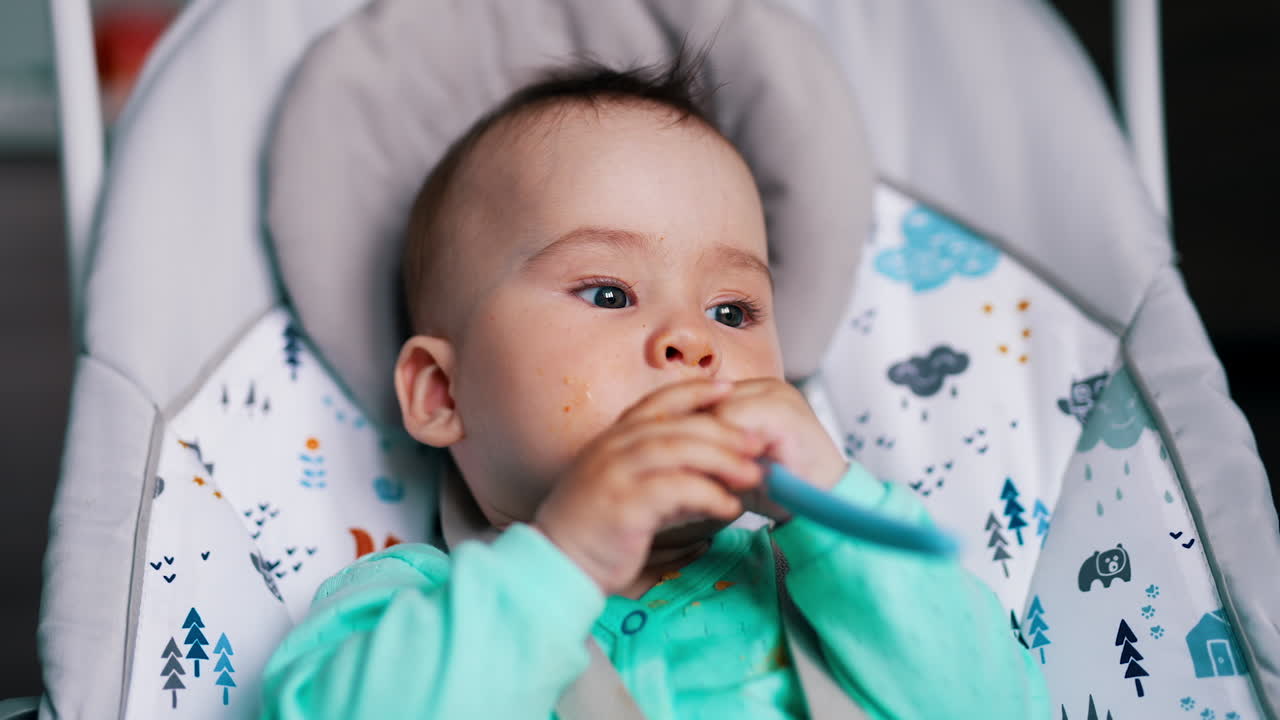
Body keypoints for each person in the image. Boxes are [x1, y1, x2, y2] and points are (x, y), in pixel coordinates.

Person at [260, 52, 1050, 719]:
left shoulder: (820, 589)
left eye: (732, 310)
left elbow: (999, 702)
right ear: (442, 394)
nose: (692, 340)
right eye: (608, 293)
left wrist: (838, 515)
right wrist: (564, 559)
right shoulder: (406, 609)